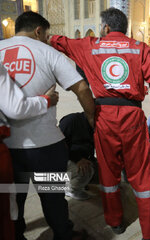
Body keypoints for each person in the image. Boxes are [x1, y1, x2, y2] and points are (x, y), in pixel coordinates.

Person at [49, 8, 150, 240]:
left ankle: (115, 221)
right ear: (124, 28)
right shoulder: (140, 48)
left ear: (106, 27)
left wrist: (46, 37)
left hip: (103, 116)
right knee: (141, 176)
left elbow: (60, 42)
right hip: (133, 117)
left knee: (108, 173)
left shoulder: (90, 45)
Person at [0, 11, 95, 240]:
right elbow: (81, 88)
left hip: (6, 148)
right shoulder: (49, 53)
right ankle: (63, 234)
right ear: (38, 31)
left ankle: (16, 235)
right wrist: (91, 117)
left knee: (14, 199)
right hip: (45, 148)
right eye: (46, 35)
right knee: (52, 197)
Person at [0, 63, 58, 240]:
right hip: (46, 144)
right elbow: (16, 108)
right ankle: (63, 230)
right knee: (54, 193)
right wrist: (46, 100)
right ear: (38, 32)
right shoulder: (50, 55)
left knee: (18, 196)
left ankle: (19, 233)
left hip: (13, 146)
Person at [59, 112, 95, 201]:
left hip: (81, 157)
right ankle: (70, 189)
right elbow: (58, 147)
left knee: (100, 173)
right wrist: (77, 159)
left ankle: (76, 180)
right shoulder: (71, 121)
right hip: (63, 159)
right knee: (86, 171)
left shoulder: (96, 125)